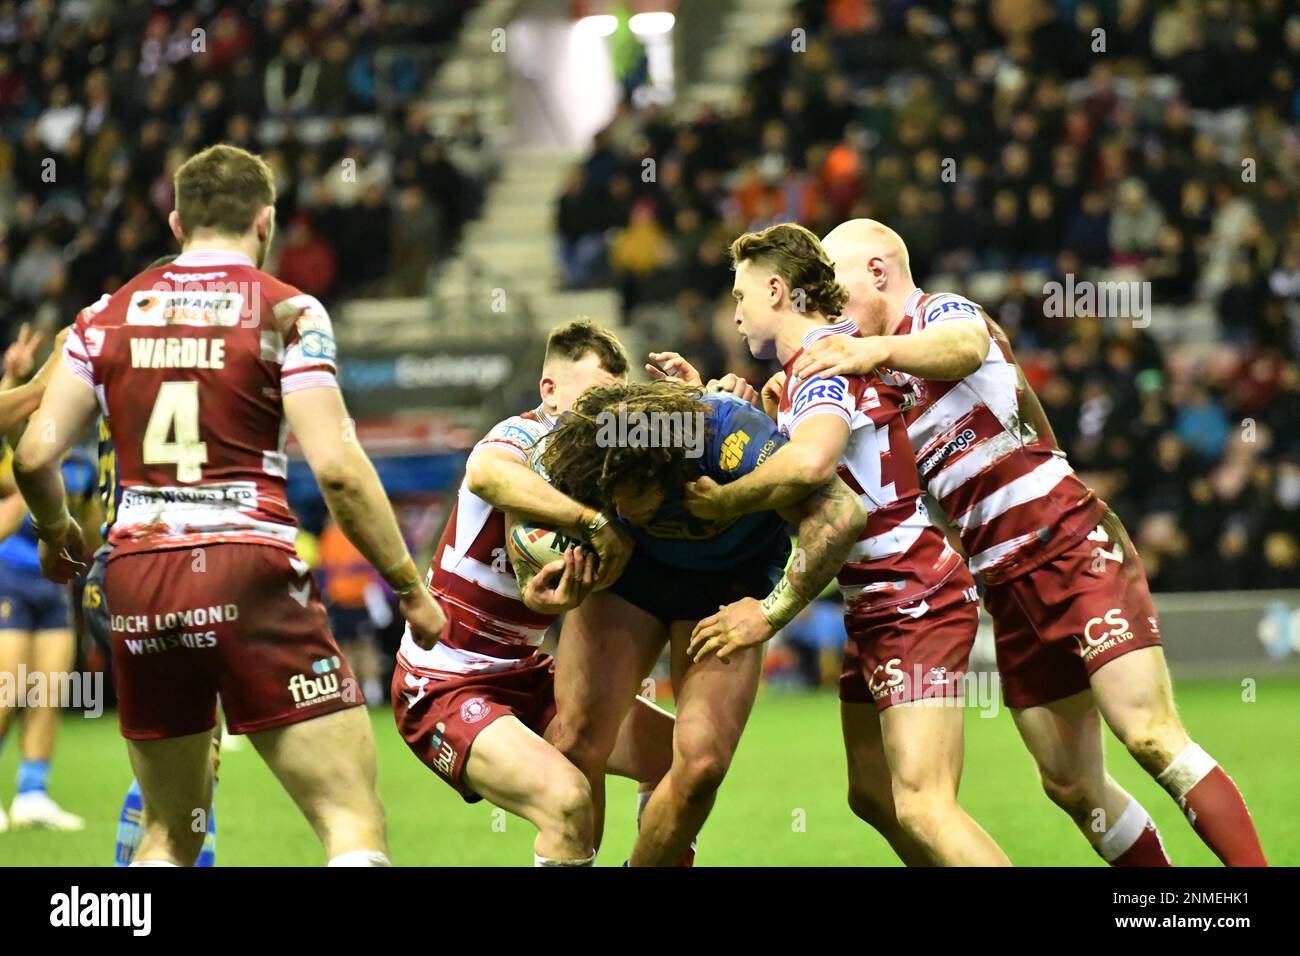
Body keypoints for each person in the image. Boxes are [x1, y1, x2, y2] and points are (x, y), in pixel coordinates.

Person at [12, 143, 446, 867]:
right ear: (266, 223)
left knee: (169, 833)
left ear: (176, 224)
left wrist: (57, 531)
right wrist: (408, 584)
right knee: (351, 821)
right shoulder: (288, 312)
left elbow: (33, 454)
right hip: (248, 566)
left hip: (137, 576)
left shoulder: (103, 317)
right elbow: (336, 468)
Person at [792, 217, 1267, 866]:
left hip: (1071, 546)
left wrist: (871, 353)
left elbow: (962, 346)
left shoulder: (941, 314)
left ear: (877, 271)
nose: (832, 316)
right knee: (1072, 785)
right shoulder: (877, 379)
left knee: (1151, 737)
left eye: (835, 290)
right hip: (1006, 584)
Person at [683, 223, 1010, 866]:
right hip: (880, 598)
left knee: (924, 803)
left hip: (913, 594)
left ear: (776, 290)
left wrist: (728, 503)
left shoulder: (822, 359)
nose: (737, 309)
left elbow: (813, 464)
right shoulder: (817, 362)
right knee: (874, 795)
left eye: (742, 293)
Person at [541, 376, 868, 865]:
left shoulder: (727, 436)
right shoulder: (596, 451)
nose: (620, 508)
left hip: (729, 589)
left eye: (629, 492)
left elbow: (841, 515)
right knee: (575, 741)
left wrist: (770, 613)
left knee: (702, 768)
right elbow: (515, 494)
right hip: (633, 577)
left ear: (662, 463)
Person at [393, 319, 678, 866]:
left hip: (524, 672)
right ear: (549, 392)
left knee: (674, 755)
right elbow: (484, 473)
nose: (603, 415)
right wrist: (593, 524)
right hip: (445, 679)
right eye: (594, 398)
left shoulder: (602, 471)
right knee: (566, 800)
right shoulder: (522, 437)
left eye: (614, 402)